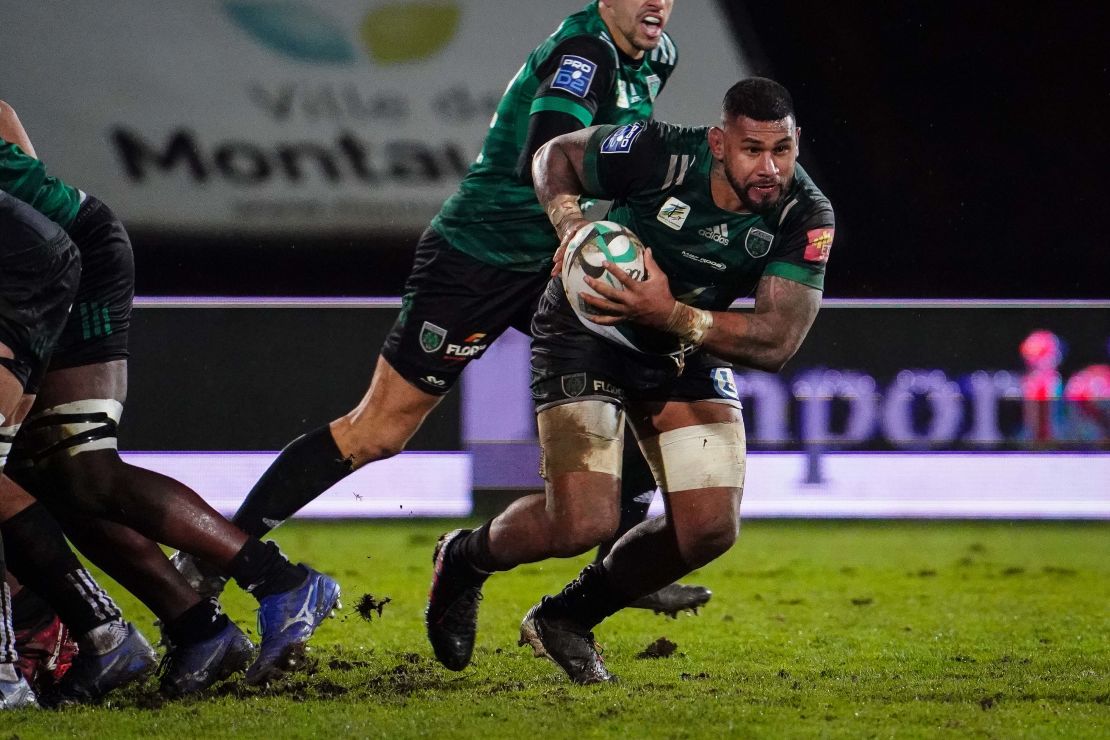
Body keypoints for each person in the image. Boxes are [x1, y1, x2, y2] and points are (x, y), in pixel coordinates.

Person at [171, 0, 710, 671]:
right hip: (476, 261)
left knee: (650, 373)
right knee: (378, 432)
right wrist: (574, 223)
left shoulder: (656, 55)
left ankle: (616, 571)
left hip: (557, 271)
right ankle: (213, 556)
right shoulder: (586, 54)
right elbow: (548, 146)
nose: (658, 2)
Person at [430, 77, 835, 683]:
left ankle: (566, 617)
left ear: (798, 142)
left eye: (783, 149)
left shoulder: (805, 214)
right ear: (719, 143)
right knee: (582, 523)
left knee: (709, 530)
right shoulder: (659, 152)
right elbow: (555, 155)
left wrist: (668, 315)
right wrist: (569, 223)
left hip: (681, 338)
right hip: (585, 333)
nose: (770, 167)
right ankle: (462, 558)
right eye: (753, 149)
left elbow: (777, 341)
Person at [0, 101, 340, 696]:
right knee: (64, 470)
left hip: (54, 257)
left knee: (68, 466)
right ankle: (199, 625)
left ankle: (273, 584)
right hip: (58, 247)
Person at [0, 189, 90, 708]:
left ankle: (8, 669)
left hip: (30, 267)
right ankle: (92, 626)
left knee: (85, 474)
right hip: (46, 256)